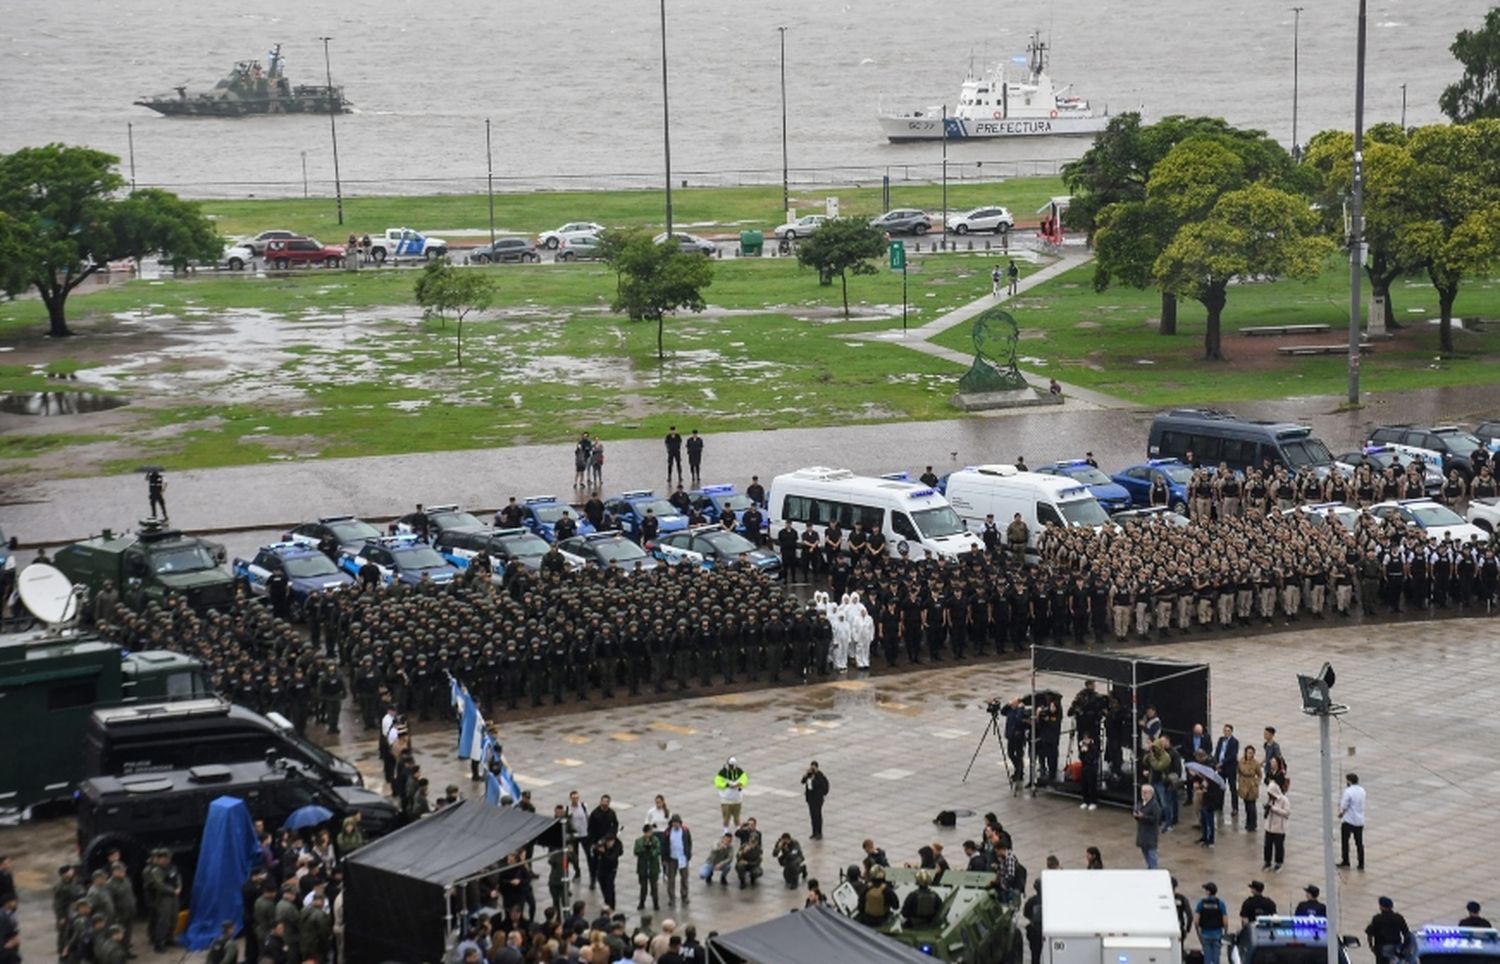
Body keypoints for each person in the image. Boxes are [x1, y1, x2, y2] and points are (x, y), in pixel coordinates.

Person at [1365, 897, 1412, 964]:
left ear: (1382, 907)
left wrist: (1371, 946)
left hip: (1382, 949)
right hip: (1396, 948)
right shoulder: (1398, 917)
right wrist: (1404, 947)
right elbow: (1407, 934)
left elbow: (1369, 934)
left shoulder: (1377, 918)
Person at [1337, 772, 1366, 870]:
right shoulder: (1362, 790)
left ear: (1349, 781)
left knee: (1345, 841)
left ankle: (1346, 861)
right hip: (1360, 820)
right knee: (1359, 843)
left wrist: (1341, 813)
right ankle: (1361, 863)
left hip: (1349, 820)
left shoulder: (1348, 791)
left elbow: (1345, 805)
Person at [663, 815, 692, 905]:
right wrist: (664, 858)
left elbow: (689, 842)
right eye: (674, 823)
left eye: (677, 823)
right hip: (672, 859)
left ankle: (684, 895)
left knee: (684, 878)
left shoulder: (685, 831)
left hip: (682, 858)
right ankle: (671, 897)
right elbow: (664, 845)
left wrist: (688, 854)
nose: (675, 825)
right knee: (671, 879)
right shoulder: (668, 832)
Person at [1195, 883, 1228, 964]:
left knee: (1207, 957)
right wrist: (1225, 934)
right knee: (1216, 958)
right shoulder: (1221, 904)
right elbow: (1225, 922)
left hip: (1205, 934)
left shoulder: (1201, 903)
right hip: (1217, 934)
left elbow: (1196, 922)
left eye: (1206, 890)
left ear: (1208, 892)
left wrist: (1198, 934)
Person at [1262, 775, 1289, 870]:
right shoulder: (1270, 800)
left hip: (1279, 829)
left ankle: (1278, 862)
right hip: (1269, 827)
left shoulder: (1284, 800)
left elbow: (1287, 813)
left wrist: (1274, 809)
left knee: (1278, 847)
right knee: (1267, 846)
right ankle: (1267, 861)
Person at [715, 757, 748, 832]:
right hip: (726, 800)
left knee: (737, 817)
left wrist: (739, 784)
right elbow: (717, 782)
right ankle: (725, 831)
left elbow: (744, 779)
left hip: (737, 799)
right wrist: (727, 785)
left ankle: (738, 831)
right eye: (730, 766)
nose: (731, 768)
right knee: (726, 817)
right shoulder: (722, 772)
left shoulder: (739, 772)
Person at [634, 823, 662, 911]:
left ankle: (656, 903)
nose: (650, 834)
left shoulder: (655, 840)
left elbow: (658, 850)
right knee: (643, 887)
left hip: (653, 868)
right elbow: (636, 851)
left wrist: (651, 851)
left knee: (654, 887)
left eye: (651, 832)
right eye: (648, 832)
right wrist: (644, 849)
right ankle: (642, 902)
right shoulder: (639, 841)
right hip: (643, 868)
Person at [1135, 784, 1162, 869]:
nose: (1143, 794)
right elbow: (1137, 810)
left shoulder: (1154, 805)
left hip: (1150, 834)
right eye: (1142, 792)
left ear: (1151, 793)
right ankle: (1150, 868)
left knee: (1152, 855)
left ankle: (1153, 871)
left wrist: (1143, 816)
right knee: (1145, 852)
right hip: (1142, 833)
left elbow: (1155, 819)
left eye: (1145, 792)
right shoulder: (1141, 802)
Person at [801, 761, 829, 839]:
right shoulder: (809, 775)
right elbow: (802, 782)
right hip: (810, 799)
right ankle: (814, 832)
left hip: (818, 799)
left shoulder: (820, 776)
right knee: (812, 816)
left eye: (814, 767)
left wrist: (814, 779)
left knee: (818, 815)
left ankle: (819, 832)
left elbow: (822, 786)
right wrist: (806, 775)